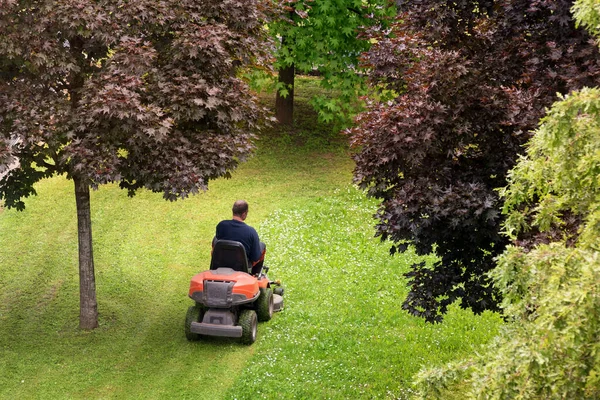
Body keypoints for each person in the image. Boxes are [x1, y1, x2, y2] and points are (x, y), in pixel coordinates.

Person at [215, 200, 266, 274]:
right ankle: (255, 275)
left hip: (222, 262)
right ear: (244, 213)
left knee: (215, 240)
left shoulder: (221, 225)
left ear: (233, 211)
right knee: (262, 245)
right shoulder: (251, 232)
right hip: (242, 266)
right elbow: (255, 257)